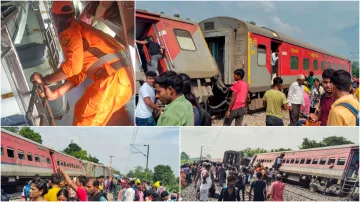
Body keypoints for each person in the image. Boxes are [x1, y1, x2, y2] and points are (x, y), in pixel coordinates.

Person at [31, 1, 133, 126]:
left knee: (84, 123)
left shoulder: (69, 31)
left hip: (113, 81)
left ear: (55, 17)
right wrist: (56, 93)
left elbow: (73, 68)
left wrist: (45, 80)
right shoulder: (80, 28)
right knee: (83, 113)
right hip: (121, 81)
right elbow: (78, 73)